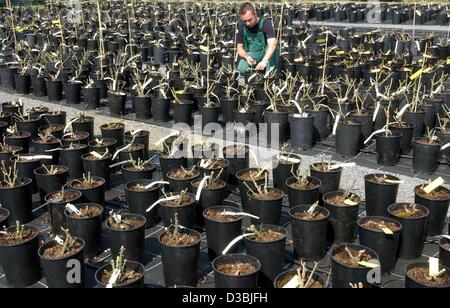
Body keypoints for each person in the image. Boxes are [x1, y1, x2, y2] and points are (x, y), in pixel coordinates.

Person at [236, 2, 279, 76]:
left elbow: (272, 44)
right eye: (245, 21)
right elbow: (239, 48)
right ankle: (256, 74)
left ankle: (269, 73)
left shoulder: (265, 24)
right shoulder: (241, 27)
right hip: (253, 53)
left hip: (266, 52)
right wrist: (246, 57)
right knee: (242, 69)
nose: (248, 23)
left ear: (255, 14)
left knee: (274, 51)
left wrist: (264, 61)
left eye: (250, 20)